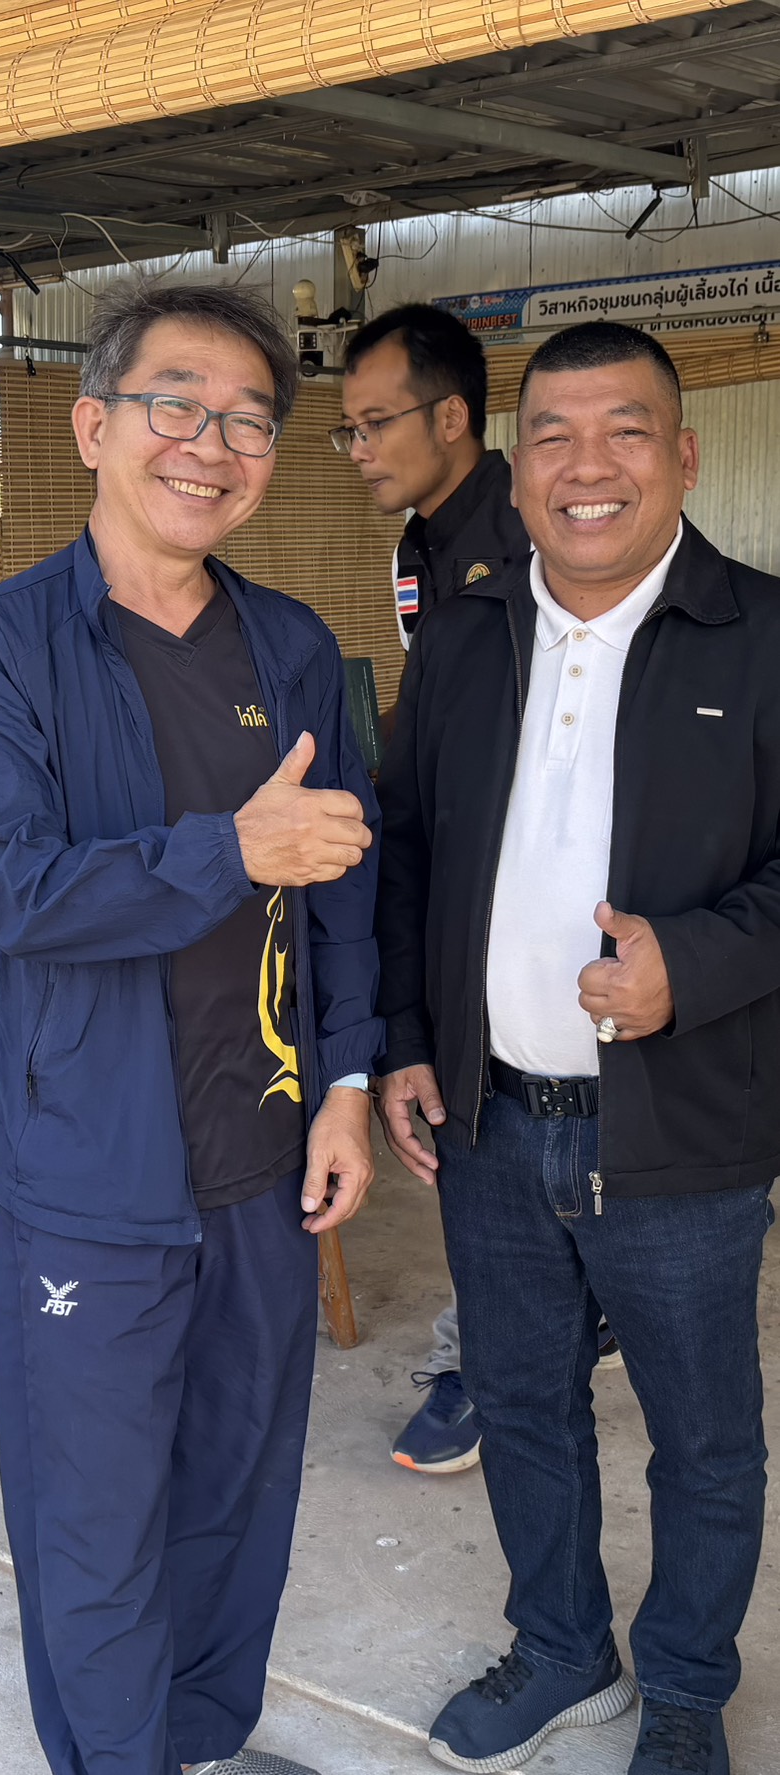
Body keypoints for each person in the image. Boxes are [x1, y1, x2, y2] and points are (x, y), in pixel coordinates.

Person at [0, 280, 382, 1775]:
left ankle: (199, 1739)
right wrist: (227, 851)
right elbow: (14, 891)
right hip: (91, 1171)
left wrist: (347, 1080)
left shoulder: (292, 644)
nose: (210, 443)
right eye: (174, 404)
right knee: (97, 1519)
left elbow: (345, 882)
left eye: (246, 419)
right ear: (92, 427)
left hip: (264, 1154)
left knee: (236, 1492)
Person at [374, 320, 775, 1775]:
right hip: (487, 1121)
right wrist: (404, 1039)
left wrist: (694, 963)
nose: (585, 464)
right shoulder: (464, 631)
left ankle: (683, 1687)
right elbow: (405, 853)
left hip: (682, 1133)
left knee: (702, 1440)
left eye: (623, 430)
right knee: (524, 1407)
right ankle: (561, 1649)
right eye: (553, 432)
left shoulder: (763, 634)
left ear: (682, 455)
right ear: (514, 461)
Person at [336, 304, 618, 1478]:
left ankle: (500, 1355)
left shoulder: (535, 531)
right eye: (348, 429)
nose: (357, 449)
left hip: (556, 901)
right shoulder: (425, 543)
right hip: (463, 878)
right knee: (476, 1130)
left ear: (450, 417)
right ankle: (525, 1332)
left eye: (375, 423)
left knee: (524, 1128)